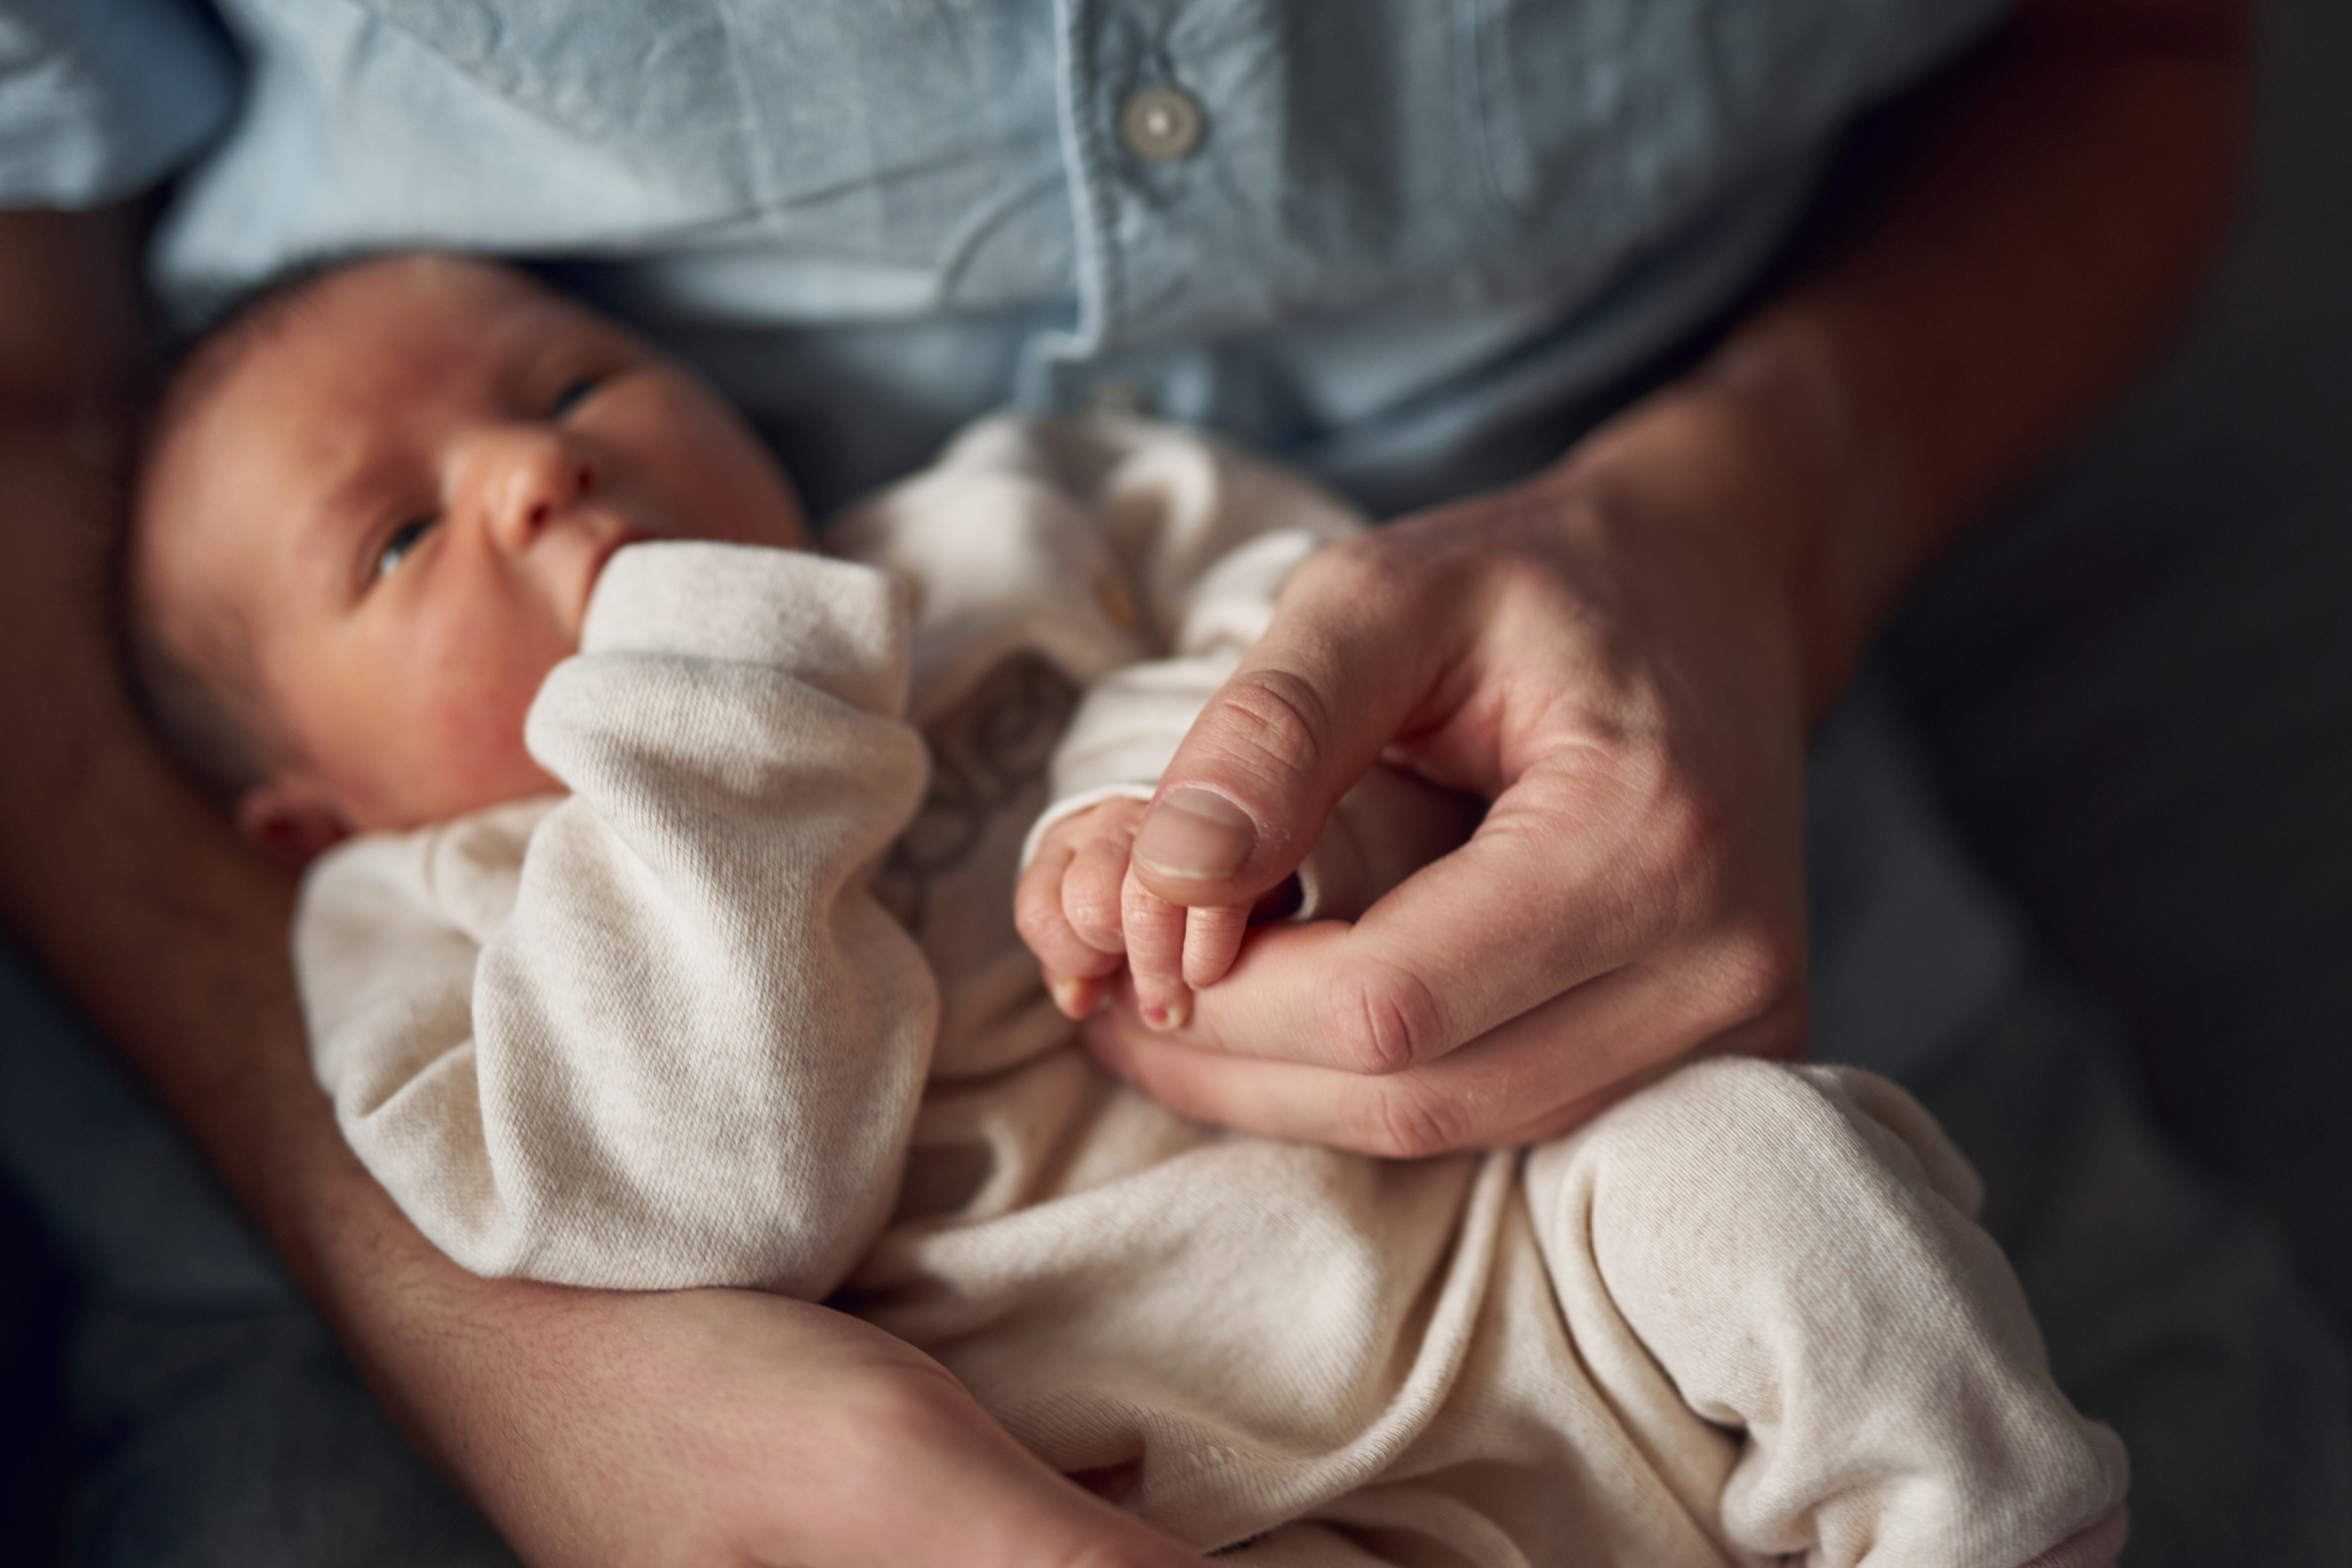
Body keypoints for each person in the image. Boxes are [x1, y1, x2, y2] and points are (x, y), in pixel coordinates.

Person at [1, 0, 2338, 1563]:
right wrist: (705, 729)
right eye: (398, 538)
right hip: (1120, 1458)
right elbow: (709, 1201)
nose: (526, 470)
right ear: (299, 805)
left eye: (573, 378)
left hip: (1536, 1212)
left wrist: (1231, 801)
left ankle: (1979, 1517)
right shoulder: (414, 937)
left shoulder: (1015, 521)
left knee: (1772, 1167)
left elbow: (1259, 618)